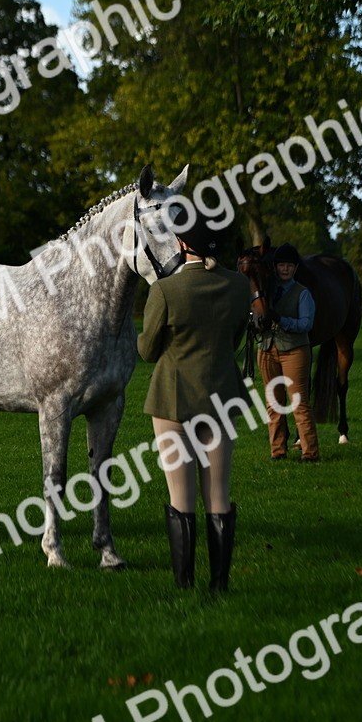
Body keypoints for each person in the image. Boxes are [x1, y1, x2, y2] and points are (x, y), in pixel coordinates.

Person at [138, 220, 250, 592]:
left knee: (180, 495)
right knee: (218, 493)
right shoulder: (239, 285)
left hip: (173, 398)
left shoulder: (166, 290)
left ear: (183, 243)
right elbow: (234, 338)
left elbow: (149, 350)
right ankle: (219, 584)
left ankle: (184, 582)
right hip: (221, 395)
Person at [256, 242, 320, 462]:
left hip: (294, 351)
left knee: (298, 402)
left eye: (289, 266)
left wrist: (281, 320)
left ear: (295, 269)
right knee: (273, 402)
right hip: (267, 348)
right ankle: (278, 450)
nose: (285, 269)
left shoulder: (303, 294)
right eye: (281, 265)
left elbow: (305, 324)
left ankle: (310, 451)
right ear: (275, 267)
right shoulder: (266, 290)